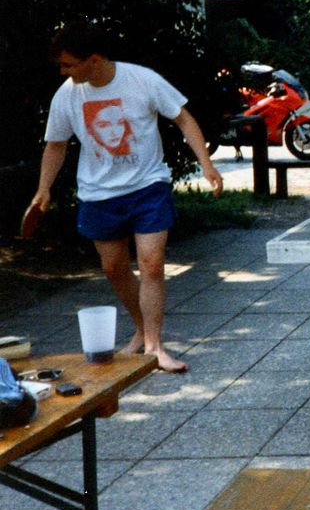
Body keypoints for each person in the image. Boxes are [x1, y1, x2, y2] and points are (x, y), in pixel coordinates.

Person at [30, 22, 223, 373]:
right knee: (113, 268)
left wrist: (206, 165)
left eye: (69, 64)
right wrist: (44, 188)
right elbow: (55, 145)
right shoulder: (67, 94)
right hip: (98, 193)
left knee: (151, 263)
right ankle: (141, 329)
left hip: (148, 186)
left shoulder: (142, 80)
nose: (63, 71)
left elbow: (183, 118)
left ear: (94, 60)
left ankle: (154, 346)